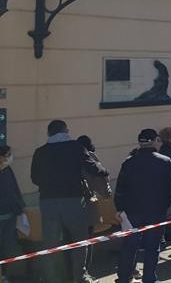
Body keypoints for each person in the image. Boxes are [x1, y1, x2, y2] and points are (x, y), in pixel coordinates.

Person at [31, 120, 108, 283]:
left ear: (49, 134)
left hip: (48, 202)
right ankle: (78, 277)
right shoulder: (76, 147)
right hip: (73, 201)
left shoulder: (40, 152)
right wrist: (104, 170)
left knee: (50, 243)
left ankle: (50, 278)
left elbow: (35, 178)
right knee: (79, 241)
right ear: (66, 131)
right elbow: (93, 168)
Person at [114, 129, 171, 283]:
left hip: (132, 212)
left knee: (129, 246)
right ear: (155, 140)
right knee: (152, 247)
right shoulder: (165, 161)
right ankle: (149, 278)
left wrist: (120, 209)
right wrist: (167, 207)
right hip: (156, 211)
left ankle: (123, 277)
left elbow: (120, 188)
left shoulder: (128, 162)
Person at [0, 145, 25, 283]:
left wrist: (20, 208)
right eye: (8, 155)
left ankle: (4, 275)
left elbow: (14, 190)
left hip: (9, 217)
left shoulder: (7, 170)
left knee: (7, 248)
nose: (10, 157)